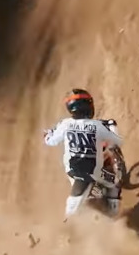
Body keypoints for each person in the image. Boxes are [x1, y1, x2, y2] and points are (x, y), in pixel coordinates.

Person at [42, 88, 125, 219]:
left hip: (73, 172)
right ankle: (114, 214)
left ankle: (68, 225)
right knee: (115, 183)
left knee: (71, 205)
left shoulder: (65, 124)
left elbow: (50, 141)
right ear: (88, 106)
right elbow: (117, 141)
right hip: (93, 172)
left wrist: (47, 135)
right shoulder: (97, 126)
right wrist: (112, 128)